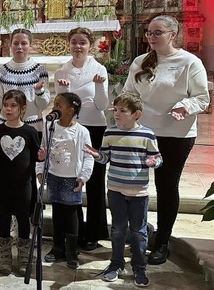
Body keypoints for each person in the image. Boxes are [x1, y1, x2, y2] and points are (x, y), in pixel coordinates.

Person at [122, 15, 210, 265]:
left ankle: (162, 242)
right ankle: (139, 233)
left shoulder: (189, 62)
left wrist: (184, 106)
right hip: (142, 133)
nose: (151, 37)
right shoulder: (140, 62)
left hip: (175, 135)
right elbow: (129, 93)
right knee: (134, 185)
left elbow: (202, 98)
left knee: (166, 185)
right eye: (149, 33)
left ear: (173, 34)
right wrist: (122, 111)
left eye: (157, 32)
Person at [84, 92, 162, 287]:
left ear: (137, 114)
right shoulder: (110, 133)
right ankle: (116, 264)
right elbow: (105, 157)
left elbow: (158, 158)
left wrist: (154, 161)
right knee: (118, 229)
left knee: (138, 231)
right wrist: (95, 155)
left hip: (138, 192)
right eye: (115, 110)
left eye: (123, 111)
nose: (117, 114)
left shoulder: (147, 134)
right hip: (115, 189)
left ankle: (138, 267)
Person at [0, 29, 51, 227]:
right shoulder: (1, 71)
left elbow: (44, 104)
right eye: (16, 43)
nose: (20, 47)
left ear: (30, 45)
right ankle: (9, 214)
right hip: (8, 130)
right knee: (9, 172)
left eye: (24, 43)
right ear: (9, 44)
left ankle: (28, 216)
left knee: (28, 174)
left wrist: (39, 91)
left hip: (31, 127)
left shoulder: (39, 69)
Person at [54, 27, 109, 251]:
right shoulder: (62, 71)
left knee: (94, 182)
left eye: (83, 42)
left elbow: (103, 106)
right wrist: (61, 89)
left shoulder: (99, 69)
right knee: (70, 179)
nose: (78, 46)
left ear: (90, 45)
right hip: (69, 129)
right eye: (74, 42)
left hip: (94, 127)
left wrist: (98, 85)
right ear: (69, 44)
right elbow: (60, 105)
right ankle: (72, 232)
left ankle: (93, 233)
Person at [0, 90, 41, 276]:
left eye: (13, 105)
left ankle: (24, 254)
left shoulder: (30, 131)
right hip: (3, 182)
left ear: (22, 108)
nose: (8, 109)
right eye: (6, 105)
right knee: (4, 216)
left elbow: (34, 157)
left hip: (24, 183)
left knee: (23, 217)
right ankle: (6, 253)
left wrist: (41, 158)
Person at [37, 92, 94, 269]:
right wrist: (40, 170)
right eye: (54, 104)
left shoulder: (82, 131)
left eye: (58, 105)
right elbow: (42, 150)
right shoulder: (50, 127)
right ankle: (57, 247)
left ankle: (71, 250)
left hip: (71, 178)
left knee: (70, 215)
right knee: (57, 213)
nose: (54, 108)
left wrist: (84, 176)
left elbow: (88, 157)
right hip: (54, 176)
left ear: (70, 110)